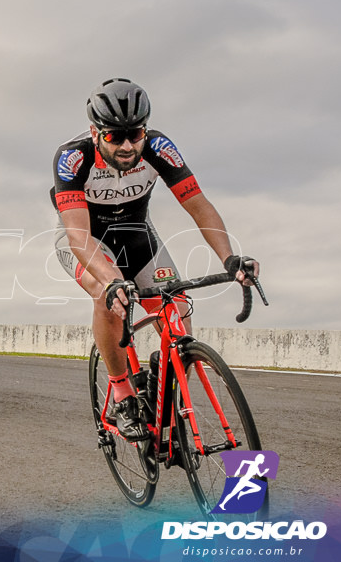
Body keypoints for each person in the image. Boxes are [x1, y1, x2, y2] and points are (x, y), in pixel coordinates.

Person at [51, 78, 260, 440]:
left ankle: (167, 398)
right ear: (95, 132)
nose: (128, 145)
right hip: (87, 238)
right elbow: (78, 236)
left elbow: (198, 205)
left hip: (137, 234)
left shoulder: (159, 148)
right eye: (115, 136)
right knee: (109, 295)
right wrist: (112, 280)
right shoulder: (73, 157)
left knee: (177, 310)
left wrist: (230, 258)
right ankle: (121, 394)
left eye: (136, 133)